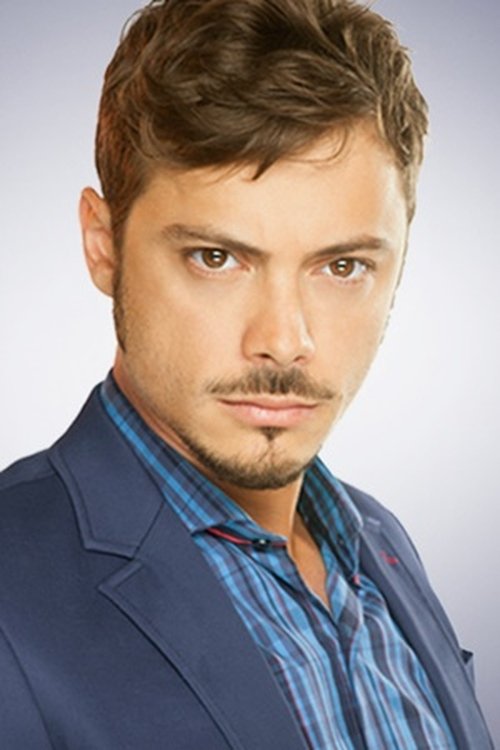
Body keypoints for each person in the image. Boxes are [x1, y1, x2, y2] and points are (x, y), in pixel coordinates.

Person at [0, 0, 493, 748]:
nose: (285, 342)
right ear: (103, 246)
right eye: (217, 258)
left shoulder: (380, 541)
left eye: (342, 266)